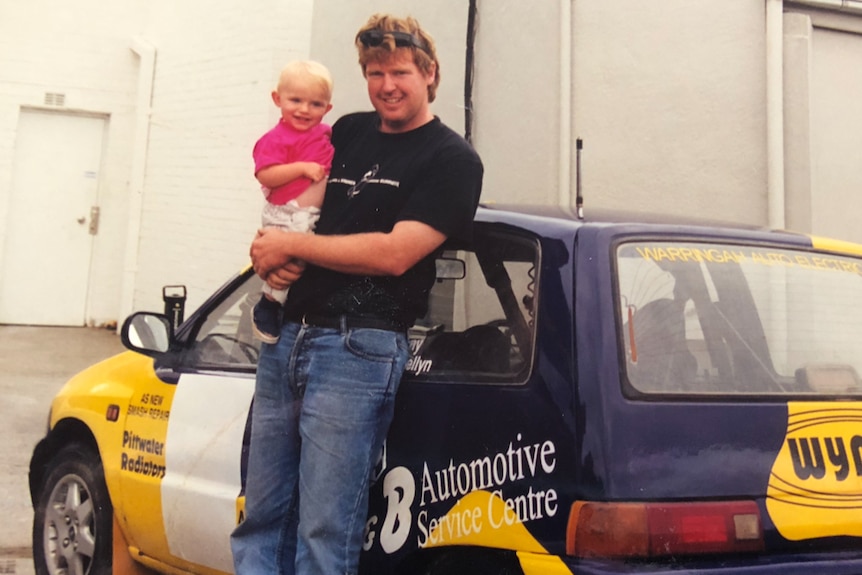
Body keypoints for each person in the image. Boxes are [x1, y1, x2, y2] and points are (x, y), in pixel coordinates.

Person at [230, 12, 483, 575]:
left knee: (325, 528)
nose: (386, 85)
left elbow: (396, 253)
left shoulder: (452, 160)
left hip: (359, 348)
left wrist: (296, 248)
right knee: (263, 518)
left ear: (430, 73)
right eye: (374, 72)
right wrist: (268, 249)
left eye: (399, 71)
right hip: (287, 339)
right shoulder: (344, 131)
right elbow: (294, 203)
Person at [251, 60, 335, 343]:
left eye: (315, 104)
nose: (304, 109)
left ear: (327, 109)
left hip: (309, 214)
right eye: (295, 100)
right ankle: (269, 303)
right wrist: (301, 168)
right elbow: (266, 174)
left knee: (305, 258)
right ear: (277, 99)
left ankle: (281, 305)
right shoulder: (275, 139)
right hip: (287, 212)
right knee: (291, 259)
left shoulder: (323, 133)